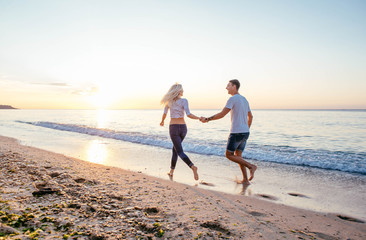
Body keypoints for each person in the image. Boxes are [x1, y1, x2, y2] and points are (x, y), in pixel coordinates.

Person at [201, 79, 257, 184]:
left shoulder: (232, 99)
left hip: (236, 132)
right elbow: (251, 116)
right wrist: (246, 128)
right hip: (245, 132)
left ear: (234, 86)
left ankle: (251, 166)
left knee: (229, 155)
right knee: (238, 156)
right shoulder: (245, 99)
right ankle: (245, 180)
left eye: (228, 85)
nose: (226, 88)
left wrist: (207, 119)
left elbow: (222, 114)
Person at [160, 83, 202, 180]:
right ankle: (171, 171)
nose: (183, 91)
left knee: (179, 151)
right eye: (182, 90)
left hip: (173, 128)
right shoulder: (184, 101)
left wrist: (162, 121)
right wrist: (198, 118)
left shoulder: (168, 102)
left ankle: (192, 167)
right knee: (175, 149)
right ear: (178, 91)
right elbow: (188, 114)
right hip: (183, 128)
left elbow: (164, 114)